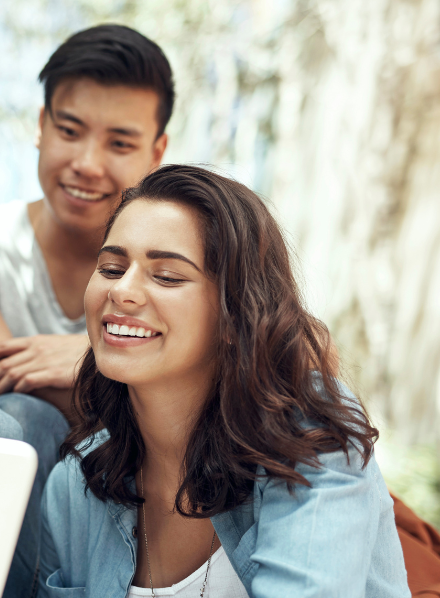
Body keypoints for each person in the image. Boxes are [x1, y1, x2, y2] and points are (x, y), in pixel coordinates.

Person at [36, 164, 410, 596]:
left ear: (236, 315)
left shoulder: (309, 438)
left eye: (167, 276)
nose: (122, 291)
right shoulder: (77, 483)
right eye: (111, 267)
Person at [0, 25, 175, 598]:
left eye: (119, 142)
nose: (86, 163)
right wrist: (144, 374)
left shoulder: (186, 260)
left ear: (157, 152)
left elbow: (290, 355)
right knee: (17, 418)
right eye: (69, 130)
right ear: (40, 126)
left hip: (142, 500)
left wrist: (83, 359)